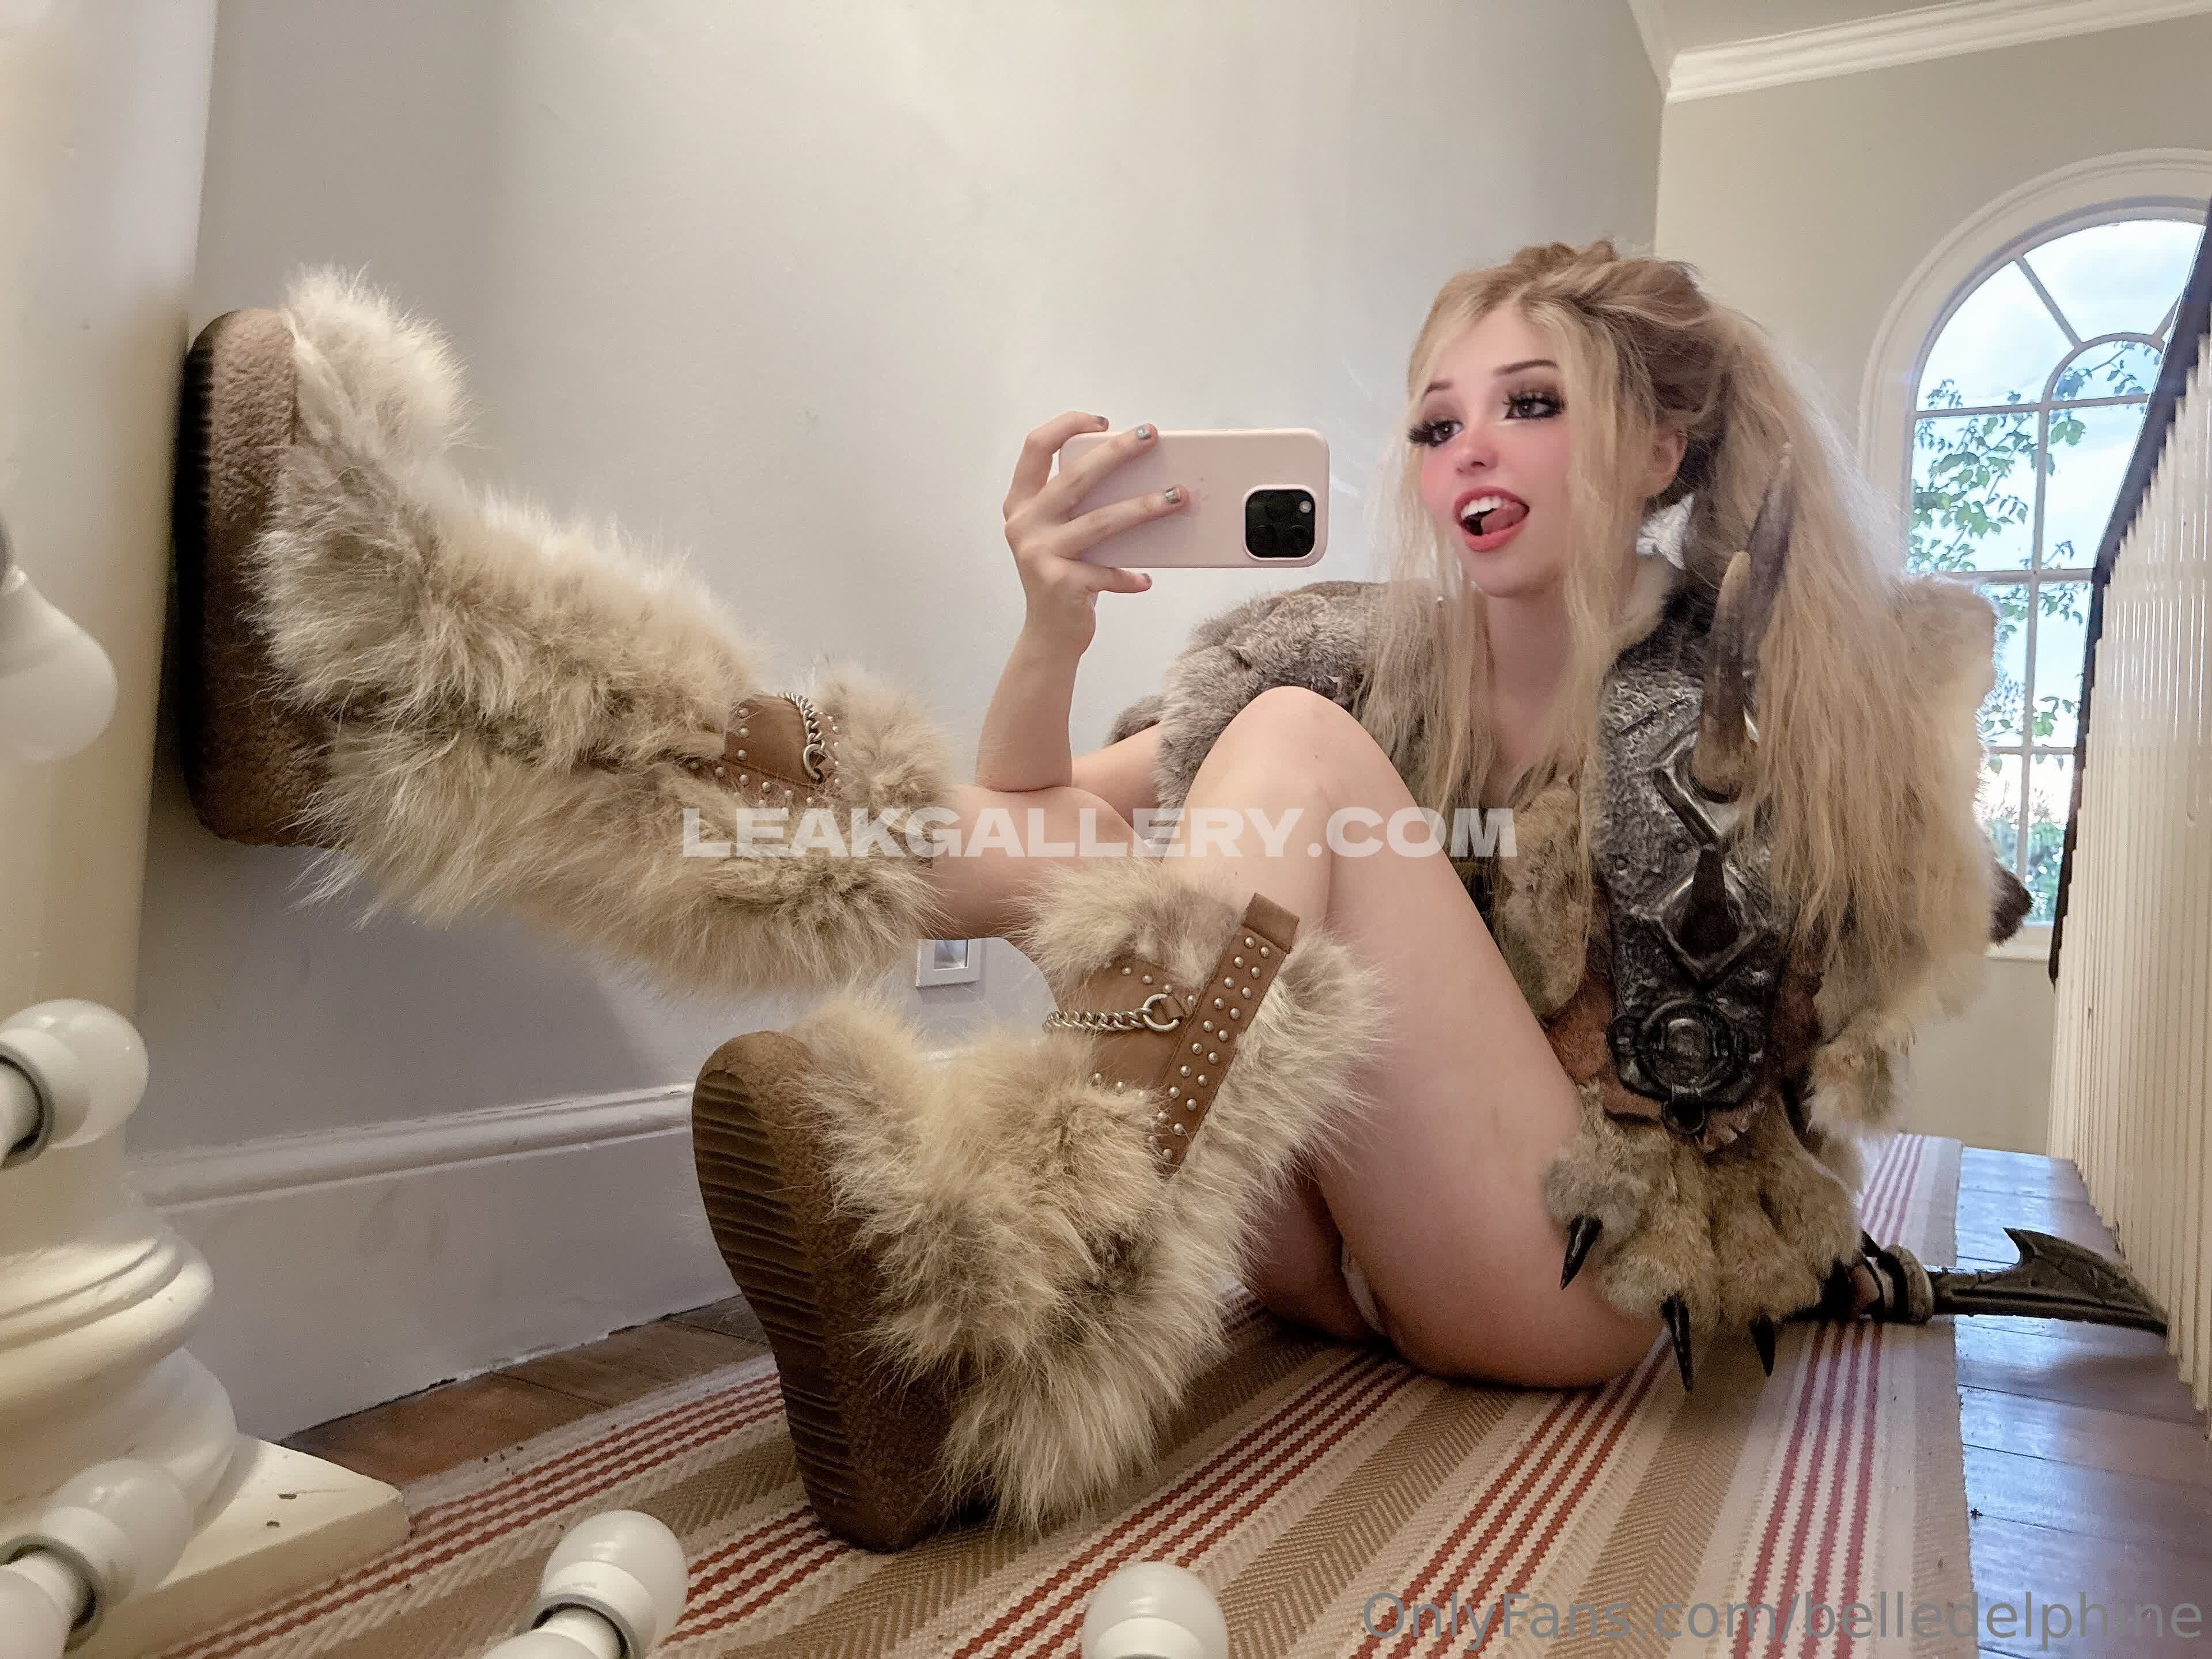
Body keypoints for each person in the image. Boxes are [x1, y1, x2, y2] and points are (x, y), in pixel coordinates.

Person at [180, 242, 2016, 1555]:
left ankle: (988, 1310)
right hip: (1318, 1232)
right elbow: (1025, 823)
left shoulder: (1735, 707)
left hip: (1557, 1274)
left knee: (1286, 764)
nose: (1469, 448)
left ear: (1663, 448)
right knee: (1063, 812)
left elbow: (1777, 1057)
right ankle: (398, 687)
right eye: (1436, 418)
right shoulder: (1365, 656)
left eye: (1531, 406)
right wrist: (1054, 627)